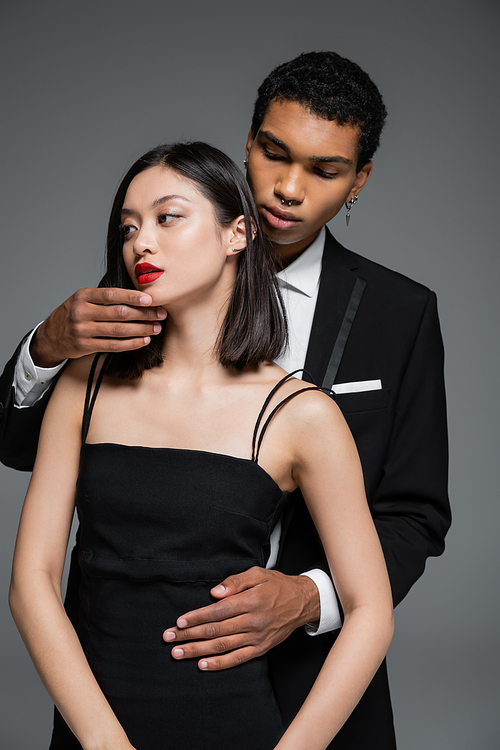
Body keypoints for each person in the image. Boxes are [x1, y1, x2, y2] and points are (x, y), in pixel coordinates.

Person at [0, 52, 450, 748]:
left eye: (324, 169)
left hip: (304, 679)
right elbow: (27, 509)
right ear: (248, 145)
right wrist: (46, 347)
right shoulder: (98, 364)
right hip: (116, 679)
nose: (289, 188)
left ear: (359, 179)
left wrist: (308, 599)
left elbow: (415, 513)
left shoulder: (398, 317)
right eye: (273, 154)